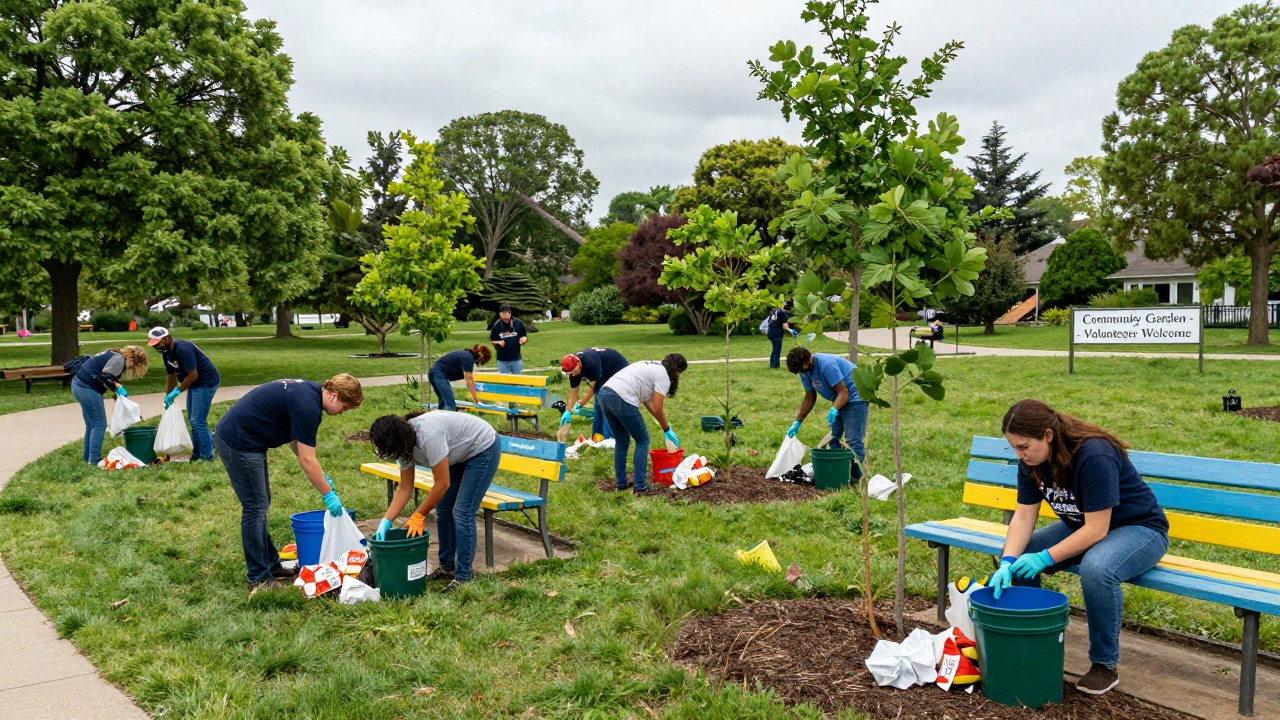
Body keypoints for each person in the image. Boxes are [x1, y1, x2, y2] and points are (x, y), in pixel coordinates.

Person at [989, 399, 1169, 696]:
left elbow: (1097, 529)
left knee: (1097, 569)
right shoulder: (1032, 462)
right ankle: (1032, 642)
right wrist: (1008, 561)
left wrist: (1045, 557)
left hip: (1140, 530)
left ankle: (1104, 665)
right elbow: (1023, 516)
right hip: (1084, 526)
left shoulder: (1093, 455)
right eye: (1014, 448)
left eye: (1023, 446)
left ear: (1047, 435)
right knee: (1019, 555)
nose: (1019, 455)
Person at [213, 375, 364, 590]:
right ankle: (258, 577)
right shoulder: (308, 407)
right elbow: (306, 458)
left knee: (260, 503)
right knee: (255, 506)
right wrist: (327, 493)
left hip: (248, 440)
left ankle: (271, 566)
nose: (342, 412)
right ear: (334, 395)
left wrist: (320, 475)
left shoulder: (310, 394)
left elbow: (298, 443)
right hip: (238, 441)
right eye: (345, 407)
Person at [368, 409, 501, 591]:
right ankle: (447, 566)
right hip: (458, 452)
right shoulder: (404, 447)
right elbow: (405, 487)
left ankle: (464, 575)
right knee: (444, 510)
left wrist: (418, 516)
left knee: (462, 512)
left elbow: (442, 484)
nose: (386, 453)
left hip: (482, 448)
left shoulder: (428, 437)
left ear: (396, 440)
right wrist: (386, 521)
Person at [598, 353, 687, 494]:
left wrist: (664, 425)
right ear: (677, 371)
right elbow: (658, 408)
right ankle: (640, 485)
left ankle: (621, 484)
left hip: (604, 394)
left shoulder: (651, 366)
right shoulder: (663, 376)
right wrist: (667, 428)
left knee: (622, 441)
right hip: (621, 397)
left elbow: (648, 402)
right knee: (642, 440)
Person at [785, 347, 869, 481]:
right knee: (833, 437)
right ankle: (839, 472)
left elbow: (844, 392)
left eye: (801, 369)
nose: (801, 373)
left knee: (853, 439)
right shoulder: (804, 371)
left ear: (807, 362)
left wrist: (835, 409)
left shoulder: (827, 365)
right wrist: (798, 421)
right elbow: (809, 397)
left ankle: (859, 477)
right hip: (839, 397)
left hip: (856, 396)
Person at [147, 327, 221, 461]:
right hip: (194, 384)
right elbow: (171, 375)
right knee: (193, 420)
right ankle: (197, 454)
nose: (157, 346)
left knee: (197, 420)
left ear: (167, 338)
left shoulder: (183, 349)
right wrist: (168, 397)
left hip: (206, 382)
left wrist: (178, 391)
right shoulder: (166, 354)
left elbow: (193, 375)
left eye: (158, 343)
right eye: (154, 345)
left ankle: (207, 455)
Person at [70, 347, 148, 465]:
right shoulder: (120, 359)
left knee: (91, 425)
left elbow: (106, 377)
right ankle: (95, 460)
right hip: (86, 388)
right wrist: (117, 386)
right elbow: (104, 376)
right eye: (134, 364)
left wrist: (119, 397)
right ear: (132, 358)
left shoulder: (115, 354)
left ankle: (88, 458)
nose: (131, 367)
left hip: (78, 384)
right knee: (99, 425)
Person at [560, 347, 629, 439]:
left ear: (578, 362)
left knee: (605, 402)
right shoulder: (573, 370)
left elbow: (594, 388)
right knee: (597, 405)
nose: (573, 374)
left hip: (618, 368)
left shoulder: (591, 362)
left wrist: (582, 402)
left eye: (574, 371)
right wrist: (568, 410)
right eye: (570, 373)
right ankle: (596, 437)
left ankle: (610, 438)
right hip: (604, 373)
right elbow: (574, 390)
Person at [428, 345, 491, 411]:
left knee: (443, 401)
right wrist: (477, 402)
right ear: (481, 357)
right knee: (450, 403)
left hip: (434, 373)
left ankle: (439, 418)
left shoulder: (466, 355)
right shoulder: (468, 357)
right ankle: (451, 420)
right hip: (438, 374)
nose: (481, 363)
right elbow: (469, 382)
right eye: (484, 361)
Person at [489, 304, 528, 374]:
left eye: (508, 312)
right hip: (502, 359)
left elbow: (524, 336)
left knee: (518, 380)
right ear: (500, 314)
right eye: (504, 312)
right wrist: (498, 342)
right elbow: (492, 341)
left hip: (516, 358)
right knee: (505, 381)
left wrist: (523, 339)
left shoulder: (517, 323)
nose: (507, 314)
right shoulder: (497, 325)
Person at [765, 303, 797, 369]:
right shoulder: (782, 313)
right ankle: (774, 365)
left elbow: (769, 321)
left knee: (775, 349)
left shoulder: (775, 311)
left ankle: (773, 364)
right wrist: (791, 331)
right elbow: (785, 326)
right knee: (777, 349)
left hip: (770, 332)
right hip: (777, 333)